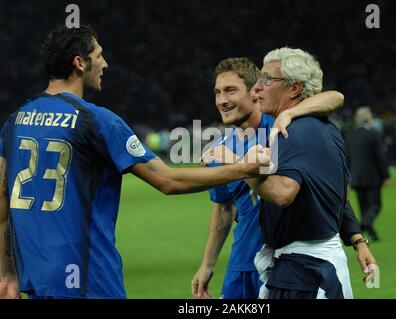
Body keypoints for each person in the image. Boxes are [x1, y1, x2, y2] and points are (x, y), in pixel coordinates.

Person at [0, 25, 270, 299]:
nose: (105, 63)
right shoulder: (97, 121)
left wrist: (6, 273)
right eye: (99, 55)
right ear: (79, 63)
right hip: (91, 280)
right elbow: (168, 181)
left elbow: (2, 201)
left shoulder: (14, 122)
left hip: (38, 279)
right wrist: (244, 168)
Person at [191, 57, 356, 299]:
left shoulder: (281, 126)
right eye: (217, 92)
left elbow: (335, 97)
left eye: (230, 91)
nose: (222, 101)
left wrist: (293, 113)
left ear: (254, 92)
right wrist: (207, 265)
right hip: (242, 265)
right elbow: (223, 208)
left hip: (285, 262)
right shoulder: (219, 147)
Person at [344, 106, 390, 241]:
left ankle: (371, 234)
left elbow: (347, 157)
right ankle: (365, 224)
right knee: (375, 204)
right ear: (369, 118)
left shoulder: (350, 134)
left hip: (355, 176)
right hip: (372, 176)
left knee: (364, 206)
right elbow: (380, 156)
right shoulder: (374, 134)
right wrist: (386, 175)